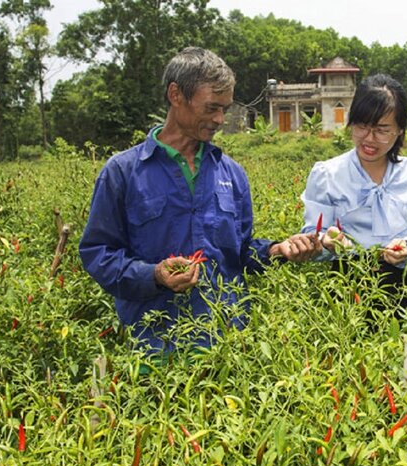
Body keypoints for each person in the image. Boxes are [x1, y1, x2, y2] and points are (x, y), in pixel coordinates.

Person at [79, 47, 320, 354]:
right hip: (154, 345)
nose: (220, 119)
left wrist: (278, 250)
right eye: (211, 108)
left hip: (227, 344)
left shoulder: (231, 174)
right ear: (176, 95)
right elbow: (98, 253)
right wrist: (154, 275)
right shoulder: (123, 172)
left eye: (224, 109)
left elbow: (240, 253)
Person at [299, 73, 407, 312]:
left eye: (382, 129)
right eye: (362, 126)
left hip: (401, 290)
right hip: (345, 290)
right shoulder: (327, 174)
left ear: (400, 130)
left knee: (406, 348)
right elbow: (313, 234)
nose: (369, 139)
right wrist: (326, 242)